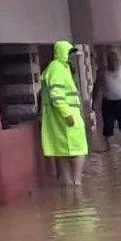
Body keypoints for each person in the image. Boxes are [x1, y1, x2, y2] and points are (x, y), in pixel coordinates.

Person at [40, 41, 90, 187]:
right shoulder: (57, 69)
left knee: (62, 150)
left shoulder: (59, 68)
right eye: (70, 53)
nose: (72, 56)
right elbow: (57, 94)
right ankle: (77, 182)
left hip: (60, 116)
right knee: (80, 148)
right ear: (62, 52)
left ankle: (69, 184)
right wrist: (67, 114)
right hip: (67, 116)